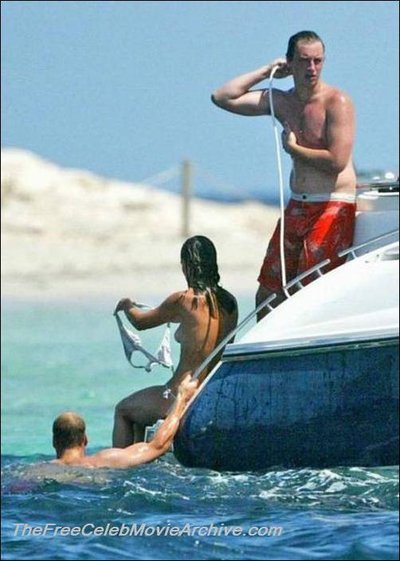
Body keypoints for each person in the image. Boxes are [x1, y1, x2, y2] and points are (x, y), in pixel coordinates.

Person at [211, 30, 357, 320]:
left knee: (308, 289)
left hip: (332, 203)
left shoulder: (336, 102)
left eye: (318, 61)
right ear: (290, 63)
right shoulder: (283, 101)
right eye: (304, 61)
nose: (312, 68)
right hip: (298, 205)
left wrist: (294, 149)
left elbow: (336, 161)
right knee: (267, 295)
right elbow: (222, 97)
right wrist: (266, 71)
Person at [112, 235, 238, 446]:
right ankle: (141, 458)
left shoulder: (183, 301)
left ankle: (121, 465)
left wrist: (127, 306)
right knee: (139, 419)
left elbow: (140, 322)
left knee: (123, 410)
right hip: (211, 394)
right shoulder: (230, 303)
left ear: (187, 266)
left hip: (178, 394)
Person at [51, 375, 198, 469]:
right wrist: (182, 397)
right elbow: (159, 445)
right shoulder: (105, 461)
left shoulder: (40, 470)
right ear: (85, 440)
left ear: (54, 442)